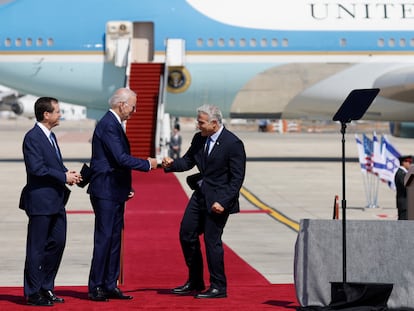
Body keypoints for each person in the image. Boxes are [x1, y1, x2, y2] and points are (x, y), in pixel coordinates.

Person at [162, 104, 246, 299]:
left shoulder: (233, 144)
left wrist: (224, 202)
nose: (197, 125)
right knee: (186, 234)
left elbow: (237, 178)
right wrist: (170, 165)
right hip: (200, 195)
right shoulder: (200, 139)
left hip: (219, 200)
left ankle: (218, 286)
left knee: (211, 241)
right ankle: (195, 281)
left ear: (214, 123)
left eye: (201, 122)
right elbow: (188, 161)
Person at [87, 88, 158, 302]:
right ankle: (96, 286)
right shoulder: (109, 124)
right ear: (122, 104)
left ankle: (110, 284)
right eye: (133, 106)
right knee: (104, 239)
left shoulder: (114, 123)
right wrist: (147, 163)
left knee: (115, 239)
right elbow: (120, 158)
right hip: (105, 191)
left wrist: (125, 185)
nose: (134, 111)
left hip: (115, 189)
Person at [20, 97, 82, 306]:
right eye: (57, 111)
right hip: (40, 202)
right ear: (46, 114)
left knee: (58, 243)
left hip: (56, 201)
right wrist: (63, 177)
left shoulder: (51, 136)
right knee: (36, 248)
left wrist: (67, 173)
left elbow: (52, 164)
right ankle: (32, 292)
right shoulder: (32, 137)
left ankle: (46, 287)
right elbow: (36, 168)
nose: (60, 114)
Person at [395, 155, 412, 220]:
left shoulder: (404, 173)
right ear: (403, 163)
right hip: (404, 204)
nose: (410, 164)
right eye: (409, 162)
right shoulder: (401, 173)